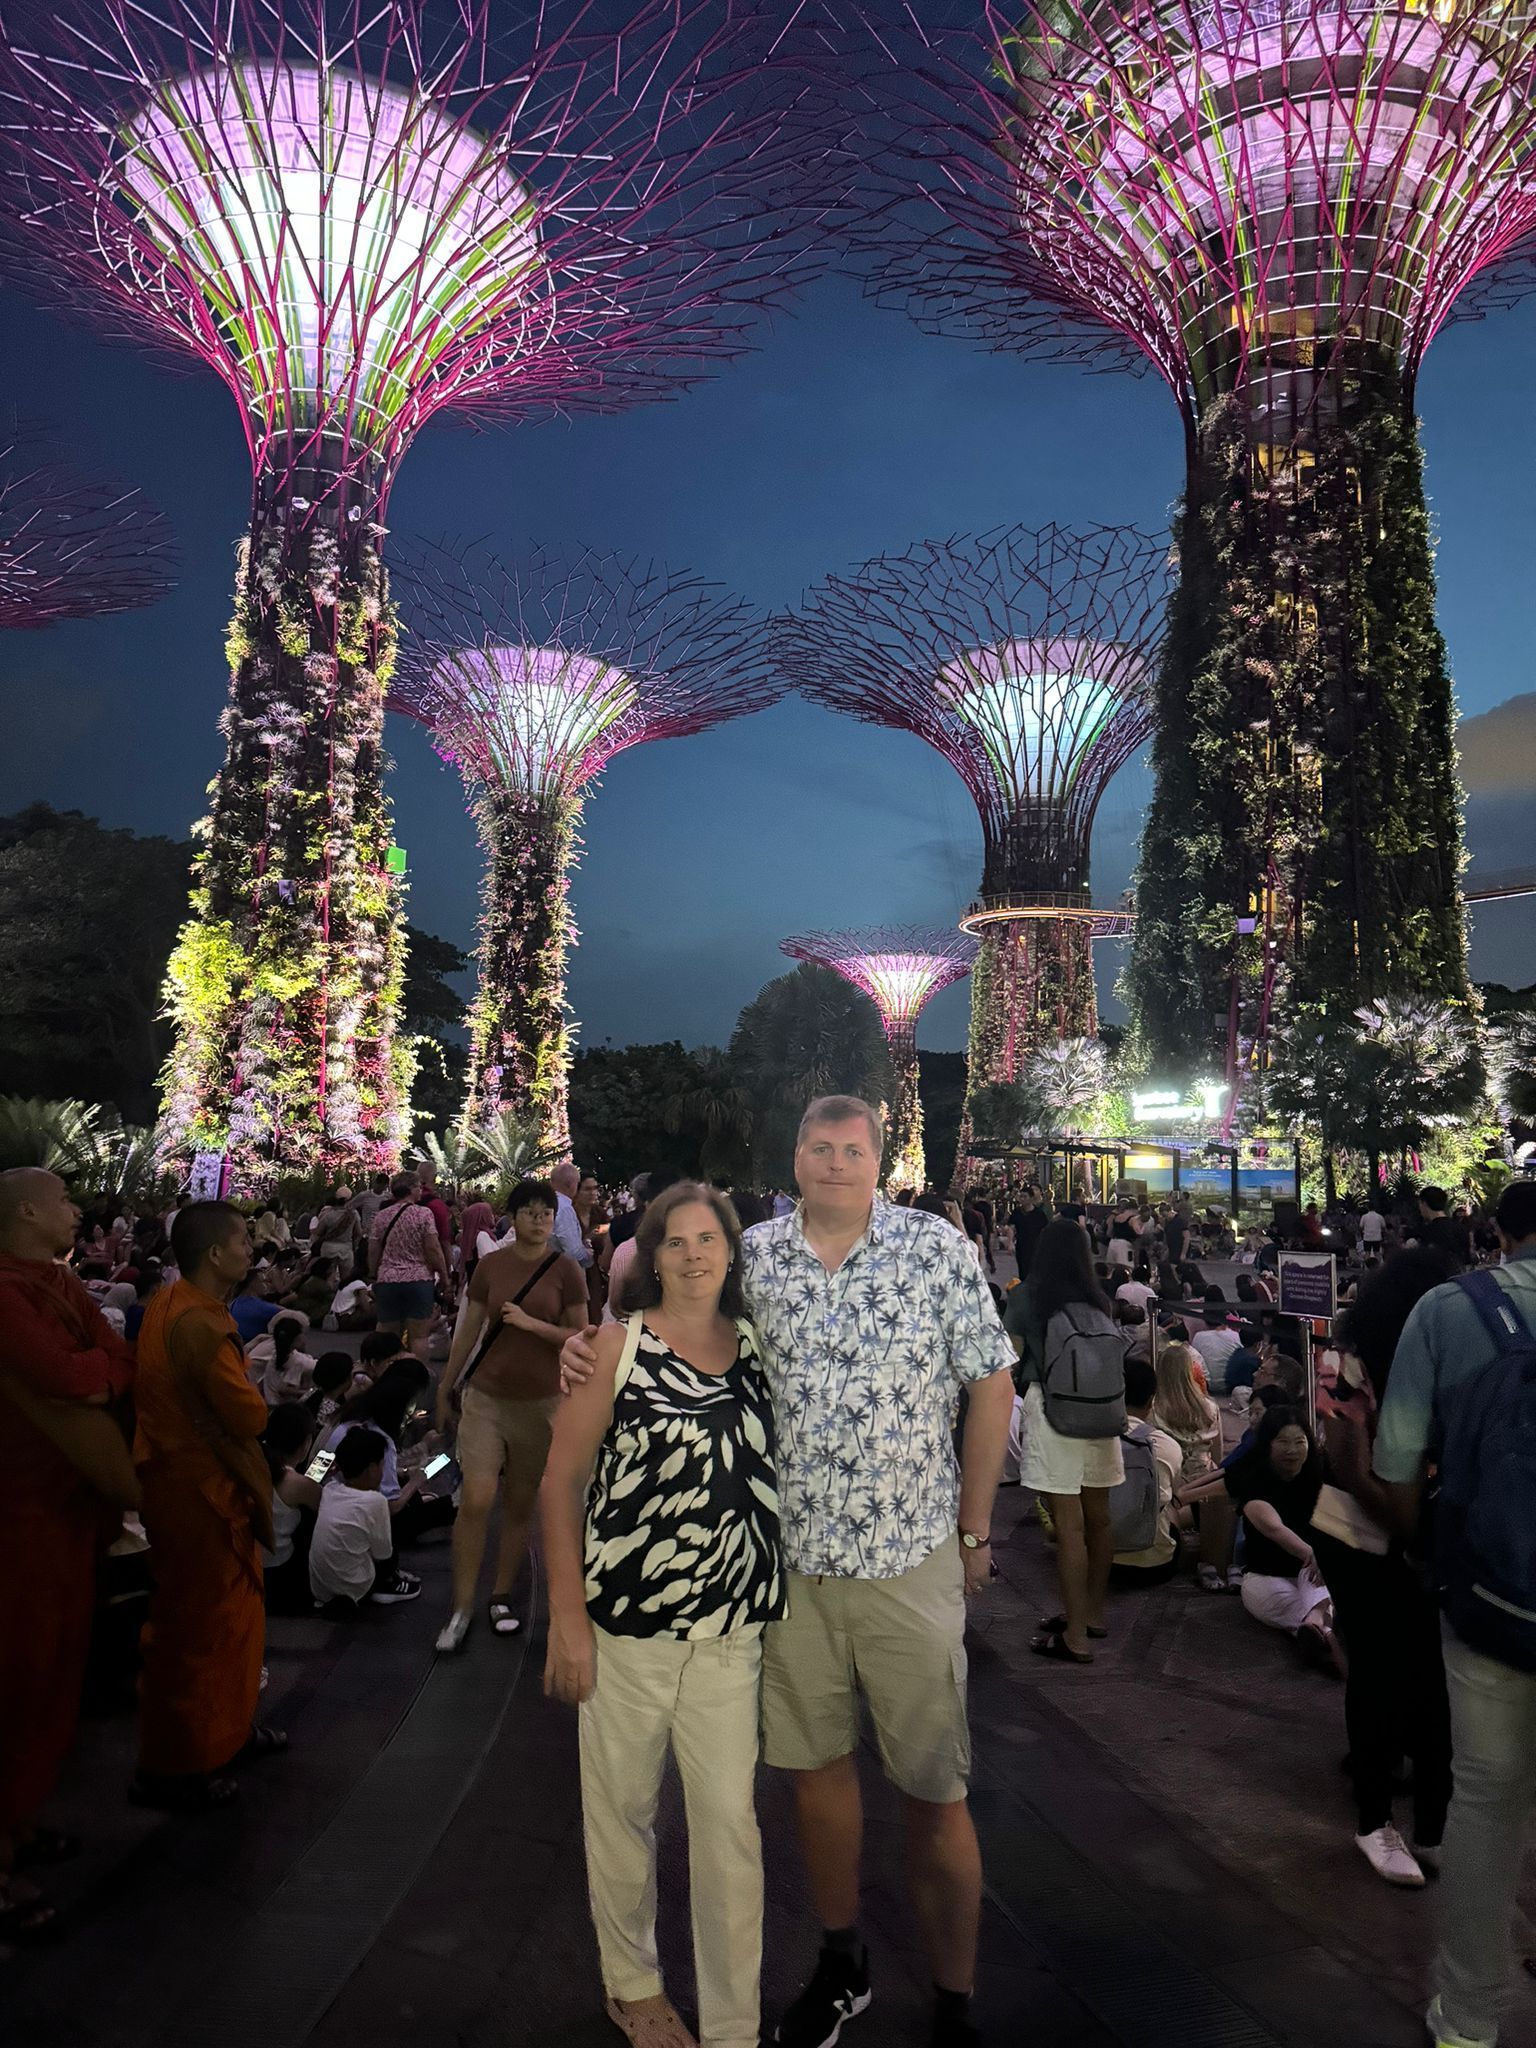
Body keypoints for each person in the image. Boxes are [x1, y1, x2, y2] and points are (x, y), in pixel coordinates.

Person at [561, 1097, 1014, 2048]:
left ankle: (956, 1999)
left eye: (855, 1150)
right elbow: (664, 1322)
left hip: (907, 1561)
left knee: (937, 1787)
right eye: (820, 1148)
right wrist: (585, 1347)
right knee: (816, 1776)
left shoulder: (935, 1250)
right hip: (788, 1575)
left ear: (879, 1160)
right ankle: (843, 1962)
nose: (838, 1164)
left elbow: (991, 1383)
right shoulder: (755, 1256)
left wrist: (974, 1531)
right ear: (796, 1157)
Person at [542, 1183, 782, 2048]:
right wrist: (567, 1624)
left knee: (730, 1832)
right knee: (621, 1816)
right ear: (651, 1255)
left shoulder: (759, 1345)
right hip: (626, 1631)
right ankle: (633, 1985)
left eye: (708, 1237)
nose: (693, 1254)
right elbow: (560, 1487)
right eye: (675, 1241)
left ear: (730, 1249)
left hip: (731, 1637)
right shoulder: (614, 1347)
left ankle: (732, 2023)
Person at [1373, 1180, 1536, 2048]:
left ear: (1498, 1232)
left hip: (1491, 1592)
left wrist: (1421, 1549)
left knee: (1485, 1800)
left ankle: (1469, 2021)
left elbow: (1397, 1461)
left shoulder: (1447, 1307)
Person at [0, 1168, 137, 1939]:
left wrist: (95, 1381)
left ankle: (16, 1829)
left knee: (54, 1675)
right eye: (61, 1200)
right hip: (18, 1520)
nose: (75, 1210)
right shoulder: (5, 1293)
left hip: (69, 1510)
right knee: (19, 1681)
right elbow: (70, 1374)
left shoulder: (56, 1285)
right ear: (25, 1211)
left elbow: (114, 1362)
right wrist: (96, 1380)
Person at [1312, 1247, 1455, 1888]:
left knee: (1426, 1673)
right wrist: (1411, 1529)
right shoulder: (1346, 1363)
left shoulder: (1431, 1359)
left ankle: (1432, 1825)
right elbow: (1348, 1465)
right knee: (1378, 1670)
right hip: (1359, 1536)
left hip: (1413, 1536)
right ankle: (1375, 1822)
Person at [132, 1202, 281, 1811]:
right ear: (216, 1254)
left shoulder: (172, 1305)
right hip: (199, 1495)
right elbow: (249, 1413)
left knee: (216, 1622)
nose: (253, 1249)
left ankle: (223, 1734)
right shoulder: (197, 1323)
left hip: (179, 1484)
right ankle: (182, 1763)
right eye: (244, 1240)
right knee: (202, 1629)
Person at [433, 1177, 589, 1654]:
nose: (539, 1221)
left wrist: (530, 1324)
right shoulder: (491, 1267)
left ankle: (500, 1596)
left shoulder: (566, 1271)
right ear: (513, 1217)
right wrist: (446, 1386)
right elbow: (468, 1330)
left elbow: (579, 1336)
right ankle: (460, 1607)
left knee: (520, 1504)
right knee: (477, 1498)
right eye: (530, 1212)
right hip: (486, 1399)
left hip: (542, 1403)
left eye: (546, 1213)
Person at [1005, 1216, 1125, 1663]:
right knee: (1100, 1520)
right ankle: (1092, 1614)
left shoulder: (1028, 1295)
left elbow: (1011, 1356)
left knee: (1068, 1527)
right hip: (1102, 1411)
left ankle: (1073, 1635)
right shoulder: (1098, 1298)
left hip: (1053, 1410)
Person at [1223, 1407, 1334, 1657]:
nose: (1292, 1450)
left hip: (1312, 1573)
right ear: (1268, 1445)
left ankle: (1317, 1630)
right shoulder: (1254, 1482)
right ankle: (1324, 1630)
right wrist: (1312, 1553)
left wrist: (1322, 1558)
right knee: (1316, 1601)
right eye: (1283, 1442)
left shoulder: (1320, 1476)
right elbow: (1274, 1528)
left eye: (1299, 1441)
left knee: (1318, 1582)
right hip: (1265, 1578)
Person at [309, 1426, 403, 1610]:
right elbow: (383, 1554)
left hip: (319, 1588)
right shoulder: (376, 1501)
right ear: (371, 1469)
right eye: (383, 1464)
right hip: (357, 1586)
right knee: (391, 1547)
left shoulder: (329, 1489)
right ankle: (387, 1586)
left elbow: (315, 1473)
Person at [1109, 1355, 1182, 1588]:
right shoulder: (1167, 1445)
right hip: (1155, 1566)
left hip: (1097, 1564)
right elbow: (1171, 1499)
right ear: (1152, 1401)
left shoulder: (1089, 1439)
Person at [367, 1172, 449, 1358]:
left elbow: (373, 1249)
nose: (421, 1190)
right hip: (418, 1280)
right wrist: (444, 1276)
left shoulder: (382, 1216)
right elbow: (433, 1249)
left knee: (386, 1333)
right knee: (419, 1336)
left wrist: (373, 1274)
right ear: (411, 1189)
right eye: (419, 1186)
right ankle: (416, 1376)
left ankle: (384, 1372)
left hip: (388, 1279)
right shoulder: (423, 1214)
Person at [259, 1402, 324, 1614]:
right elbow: (323, 1507)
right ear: (306, 1443)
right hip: (279, 1572)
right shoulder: (296, 1483)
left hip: (250, 1564)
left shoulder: (253, 1463)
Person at [246, 1310, 315, 1405]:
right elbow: (284, 1389)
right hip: (265, 1400)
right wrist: (311, 1393)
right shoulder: (292, 1359)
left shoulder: (274, 1349)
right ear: (296, 1337)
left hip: (263, 1398)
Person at [1190, 1292, 1240, 1391]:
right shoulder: (1234, 1335)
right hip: (1230, 1384)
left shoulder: (1199, 1336)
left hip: (1207, 1385)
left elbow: (1194, 1360)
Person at [549, 1161, 595, 1269]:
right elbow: (573, 1253)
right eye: (577, 1183)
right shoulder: (564, 1209)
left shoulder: (547, 1203)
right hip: (561, 1272)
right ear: (570, 1184)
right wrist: (587, 1253)